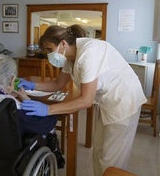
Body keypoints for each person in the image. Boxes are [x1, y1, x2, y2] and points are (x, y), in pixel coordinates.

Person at [18, 24, 147, 176]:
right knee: (98, 151)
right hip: (107, 103)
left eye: (49, 49)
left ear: (63, 43)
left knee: (111, 161)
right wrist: (33, 85)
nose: (48, 55)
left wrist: (47, 109)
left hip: (123, 101)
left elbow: (86, 100)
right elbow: (58, 84)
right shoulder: (69, 56)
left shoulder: (88, 54)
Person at [0, 54, 65, 168]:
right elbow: (45, 125)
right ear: (12, 80)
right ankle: (56, 154)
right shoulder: (11, 106)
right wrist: (28, 100)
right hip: (9, 157)